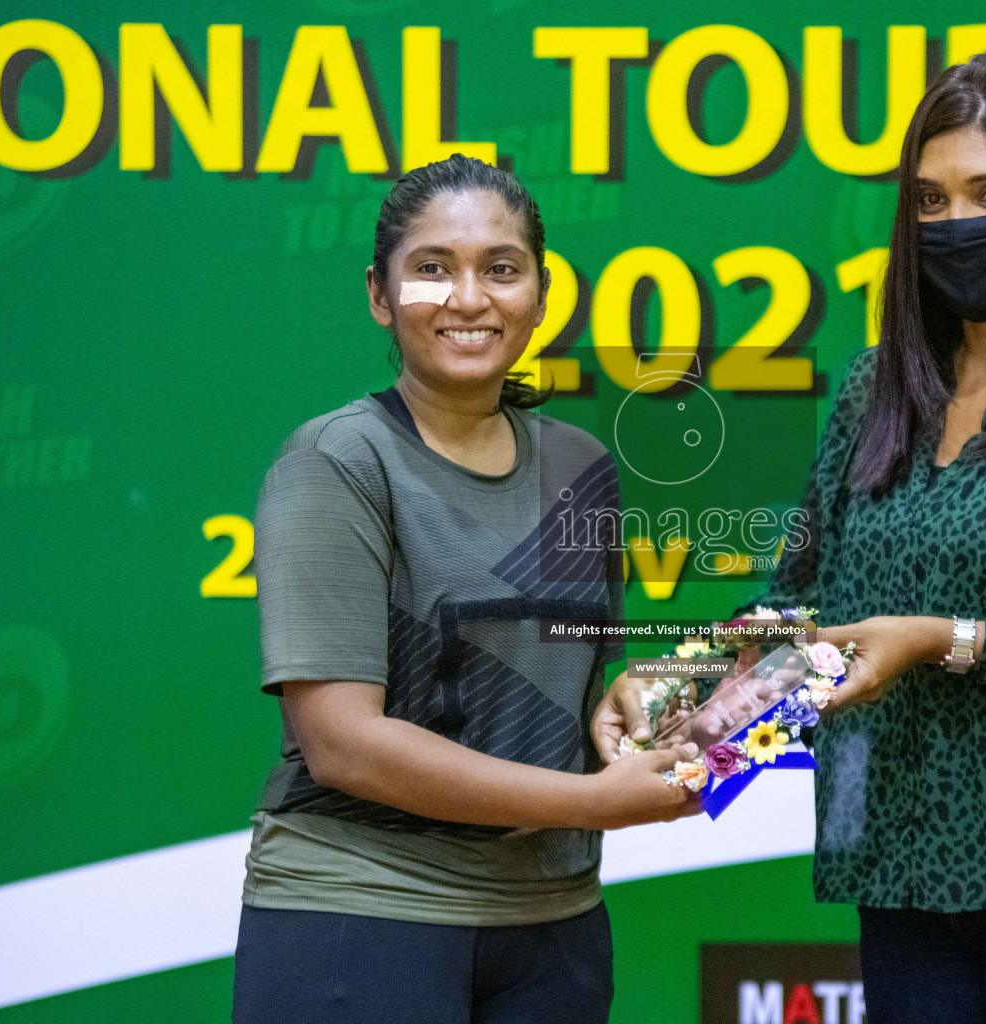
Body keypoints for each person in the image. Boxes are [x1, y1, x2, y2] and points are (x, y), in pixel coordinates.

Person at [594, 52, 986, 1023]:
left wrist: (951, 639)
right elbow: (806, 608)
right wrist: (678, 689)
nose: (959, 225)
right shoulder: (875, 388)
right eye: (932, 200)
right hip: (907, 880)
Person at [232, 155, 700, 1024]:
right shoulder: (337, 461)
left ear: (541, 294)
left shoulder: (582, 467)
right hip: (362, 913)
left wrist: (629, 706)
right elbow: (344, 746)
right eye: (432, 269)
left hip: (554, 927)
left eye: (501, 268)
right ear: (381, 294)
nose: (469, 298)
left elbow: (577, 682)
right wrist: (595, 802)